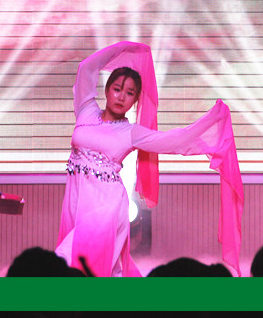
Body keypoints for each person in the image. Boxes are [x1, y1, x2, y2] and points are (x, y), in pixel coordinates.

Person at [55, 41, 243, 277]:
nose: (121, 96)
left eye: (130, 93)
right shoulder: (85, 109)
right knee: (97, 271)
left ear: (136, 100)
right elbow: (87, 67)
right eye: (117, 88)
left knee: (66, 259)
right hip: (76, 201)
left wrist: (211, 120)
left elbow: (175, 140)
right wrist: (122, 48)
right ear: (107, 89)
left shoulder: (131, 133)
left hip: (107, 206)